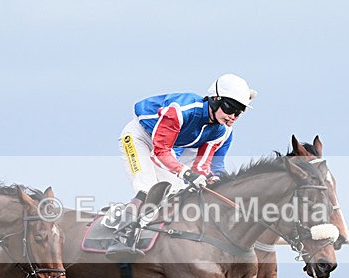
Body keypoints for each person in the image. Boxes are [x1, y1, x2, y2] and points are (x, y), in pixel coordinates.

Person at [106, 74, 256, 261]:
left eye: (239, 111)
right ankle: (121, 235)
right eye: (230, 108)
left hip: (167, 148)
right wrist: (186, 172)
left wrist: (211, 179)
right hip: (140, 138)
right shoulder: (181, 111)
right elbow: (160, 153)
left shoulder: (222, 131)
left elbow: (202, 164)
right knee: (148, 187)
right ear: (215, 99)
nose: (233, 116)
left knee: (177, 192)